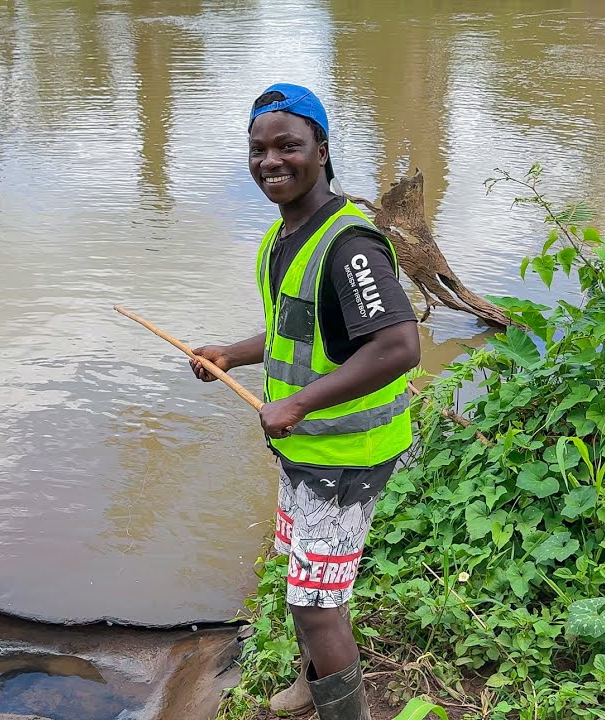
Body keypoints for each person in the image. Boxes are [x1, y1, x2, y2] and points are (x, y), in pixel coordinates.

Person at [191, 84, 420, 720]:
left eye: (288, 145)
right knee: (303, 576)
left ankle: (347, 709)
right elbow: (301, 331)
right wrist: (233, 354)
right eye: (259, 149)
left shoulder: (350, 246)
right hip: (306, 451)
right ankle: (311, 681)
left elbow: (399, 346)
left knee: (315, 603)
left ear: (321, 149)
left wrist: (296, 405)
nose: (271, 161)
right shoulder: (285, 235)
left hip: (345, 459)